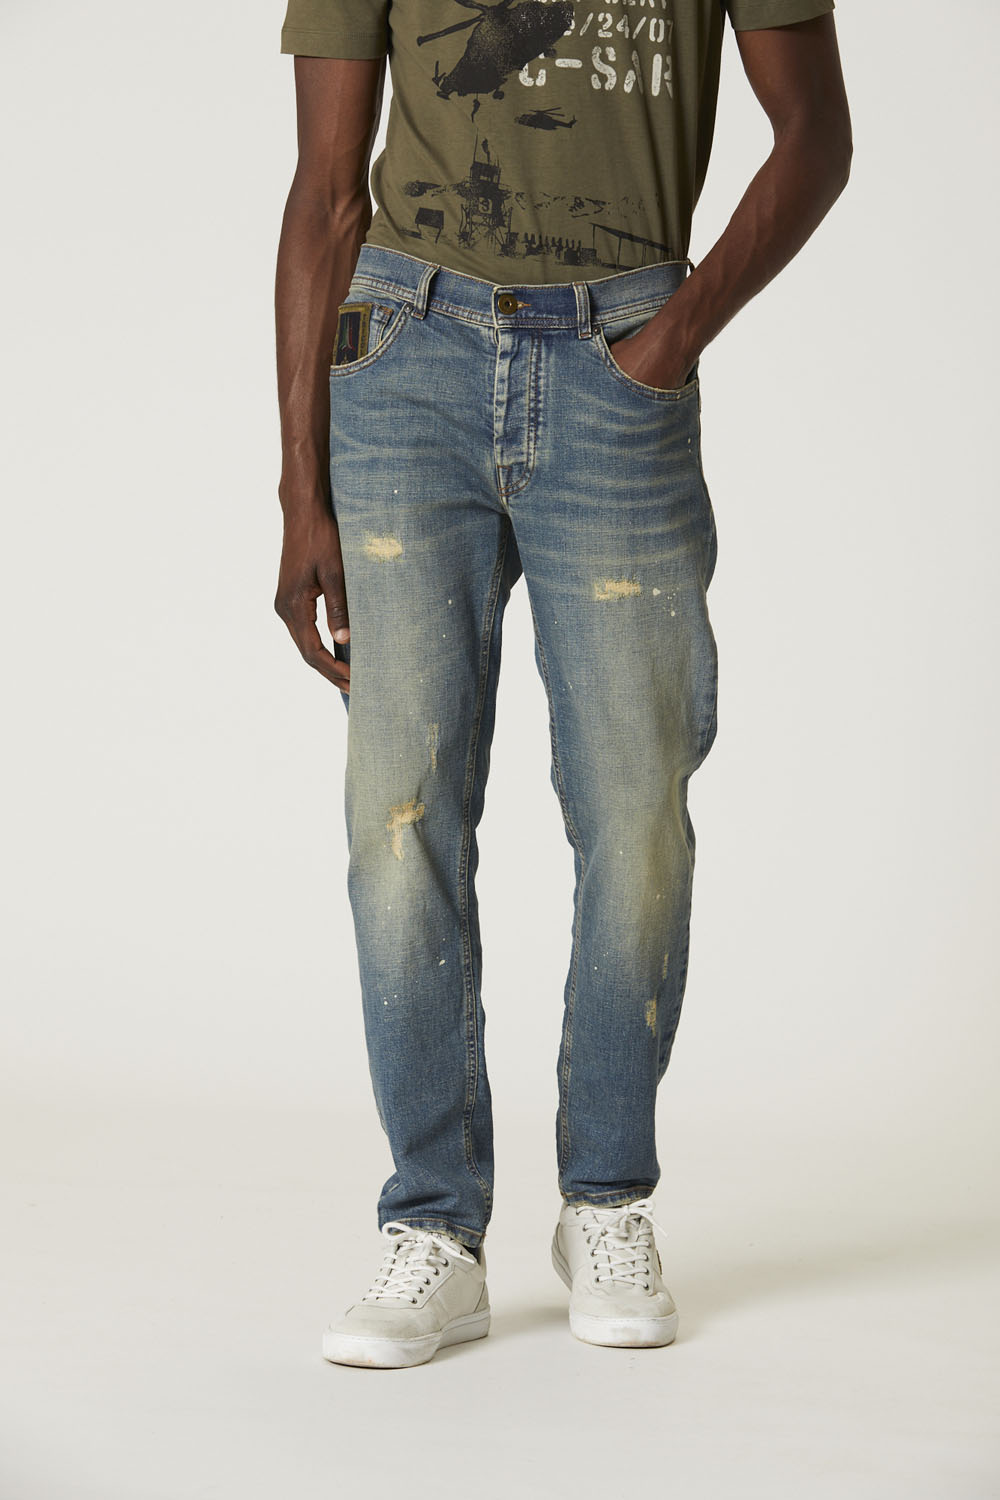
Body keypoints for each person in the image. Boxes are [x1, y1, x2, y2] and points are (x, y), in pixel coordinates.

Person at [274, 0, 852, 1369]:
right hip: (405, 359)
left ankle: (605, 1201)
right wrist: (300, 489)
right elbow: (323, 192)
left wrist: (673, 335)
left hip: (619, 361)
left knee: (637, 811)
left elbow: (816, 138)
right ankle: (433, 1225)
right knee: (399, 817)